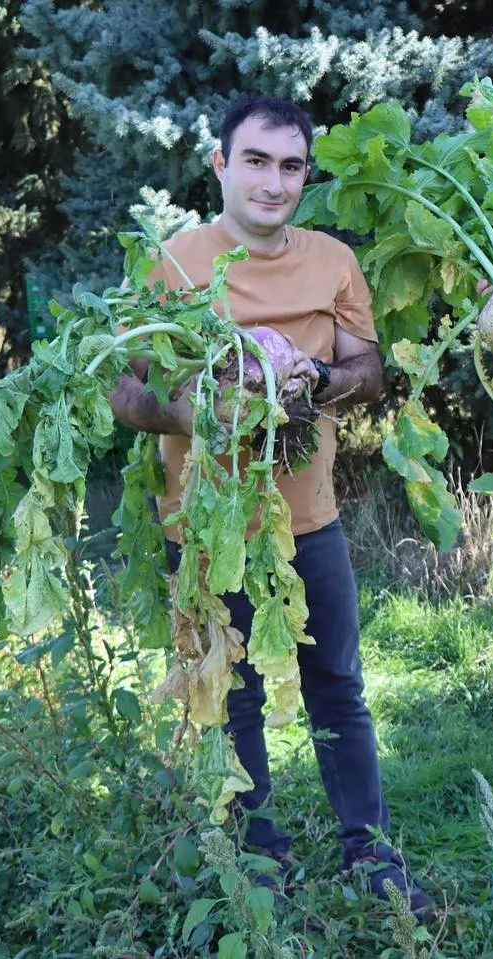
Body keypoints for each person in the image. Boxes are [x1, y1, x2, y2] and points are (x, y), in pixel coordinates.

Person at [108, 95, 431, 915]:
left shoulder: (333, 262)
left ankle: (372, 851)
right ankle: (256, 858)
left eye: (290, 165)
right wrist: (191, 415)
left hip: (307, 524)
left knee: (337, 685)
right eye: (256, 160)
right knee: (229, 693)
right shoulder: (174, 263)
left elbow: (369, 371)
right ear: (220, 165)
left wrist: (319, 381)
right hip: (204, 522)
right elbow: (124, 388)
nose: (273, 180)